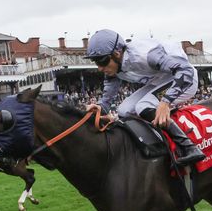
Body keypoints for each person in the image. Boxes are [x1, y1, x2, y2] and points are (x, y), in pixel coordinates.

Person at [83, 29, 205, 165]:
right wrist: (100, 108)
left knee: (144, 105)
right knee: (123, 110)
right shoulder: (113, 67)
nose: (99, 68)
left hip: (184, 79)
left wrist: (165, 102)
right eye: (96, 62)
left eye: (102, 61)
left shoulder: (147, 55)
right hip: (160, 80)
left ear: (117, 53)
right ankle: (146, 145)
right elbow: (107, 99)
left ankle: (189, 147)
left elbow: (185, 71)